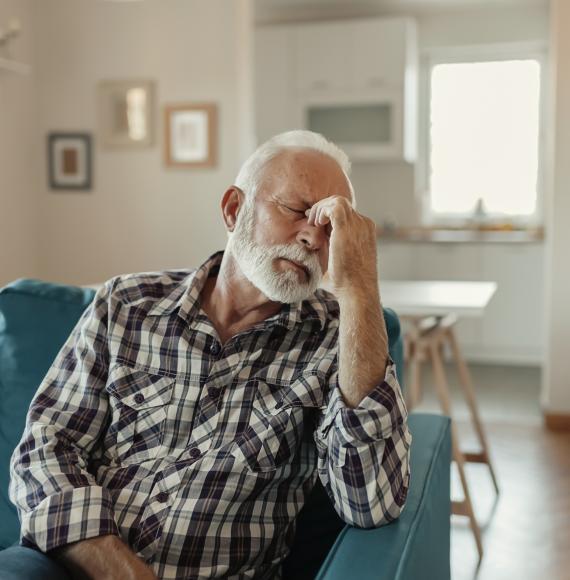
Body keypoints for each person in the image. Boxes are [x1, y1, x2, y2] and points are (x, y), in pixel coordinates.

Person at [9, 130, 411, 580]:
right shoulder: (126, 303)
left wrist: (359, 286)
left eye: (330, 229)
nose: (313, 239)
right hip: (71, 566)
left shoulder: (333, 339)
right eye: (298, 211)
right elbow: (45, 448)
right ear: (234, 209)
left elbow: (372, 503)